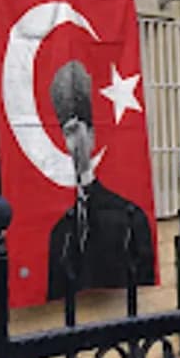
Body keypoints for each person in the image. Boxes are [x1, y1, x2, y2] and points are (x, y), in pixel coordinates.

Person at [46, 60, 154, 301]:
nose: (71, 144)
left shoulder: (130, 216)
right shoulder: (59, 232)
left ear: (92, 135)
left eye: (75, 131)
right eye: (65, 134)